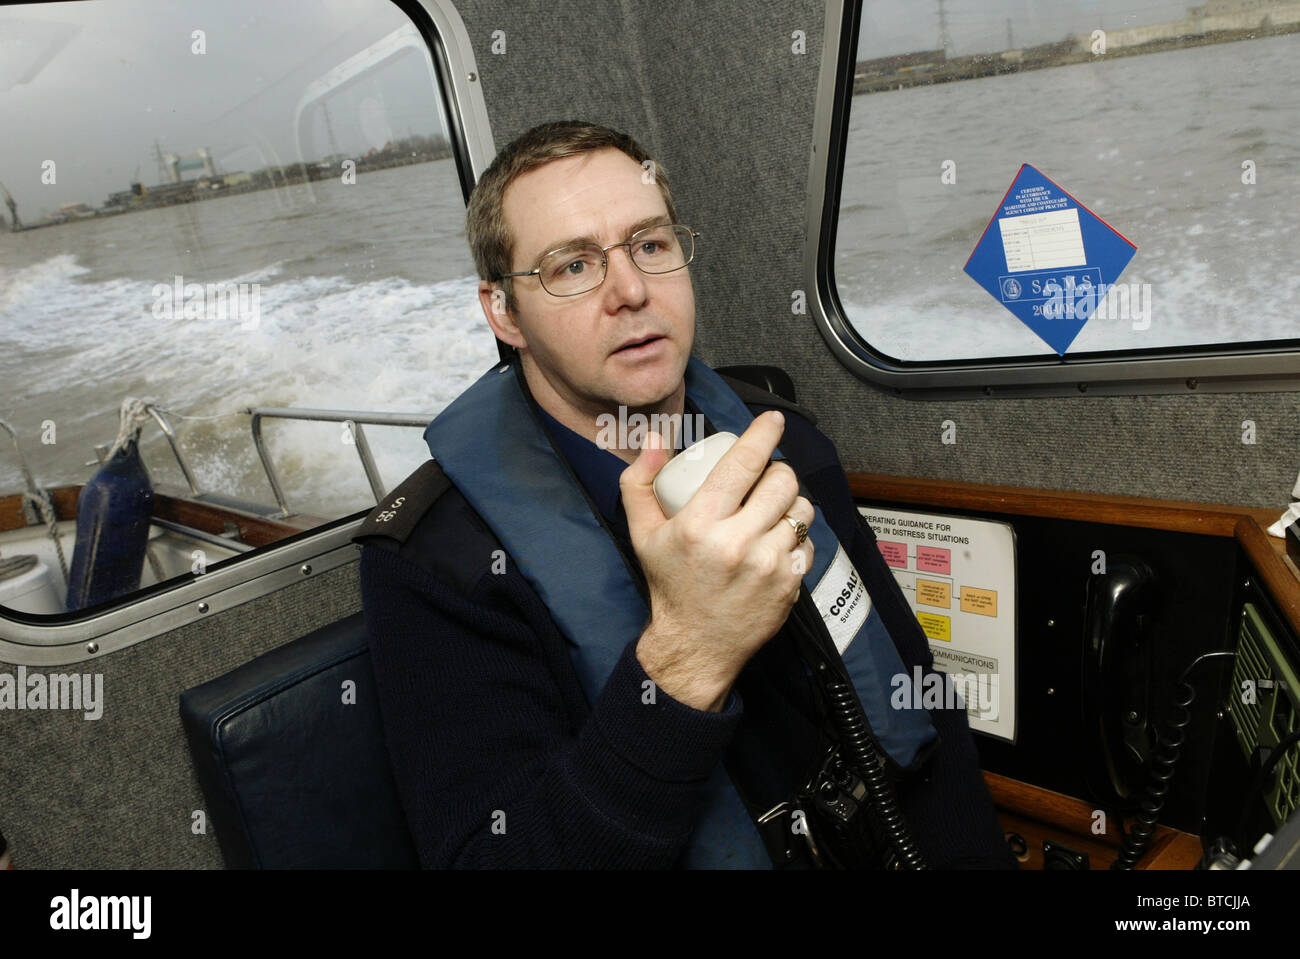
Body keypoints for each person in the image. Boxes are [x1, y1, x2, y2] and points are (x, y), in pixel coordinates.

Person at [355, 120, 1014, 869]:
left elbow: (923, 712)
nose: (631, 290)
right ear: (505, 312)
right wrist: (686, 659)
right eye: (573, 266)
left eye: (651, 244)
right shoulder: (439, 564)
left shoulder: (786, 443)